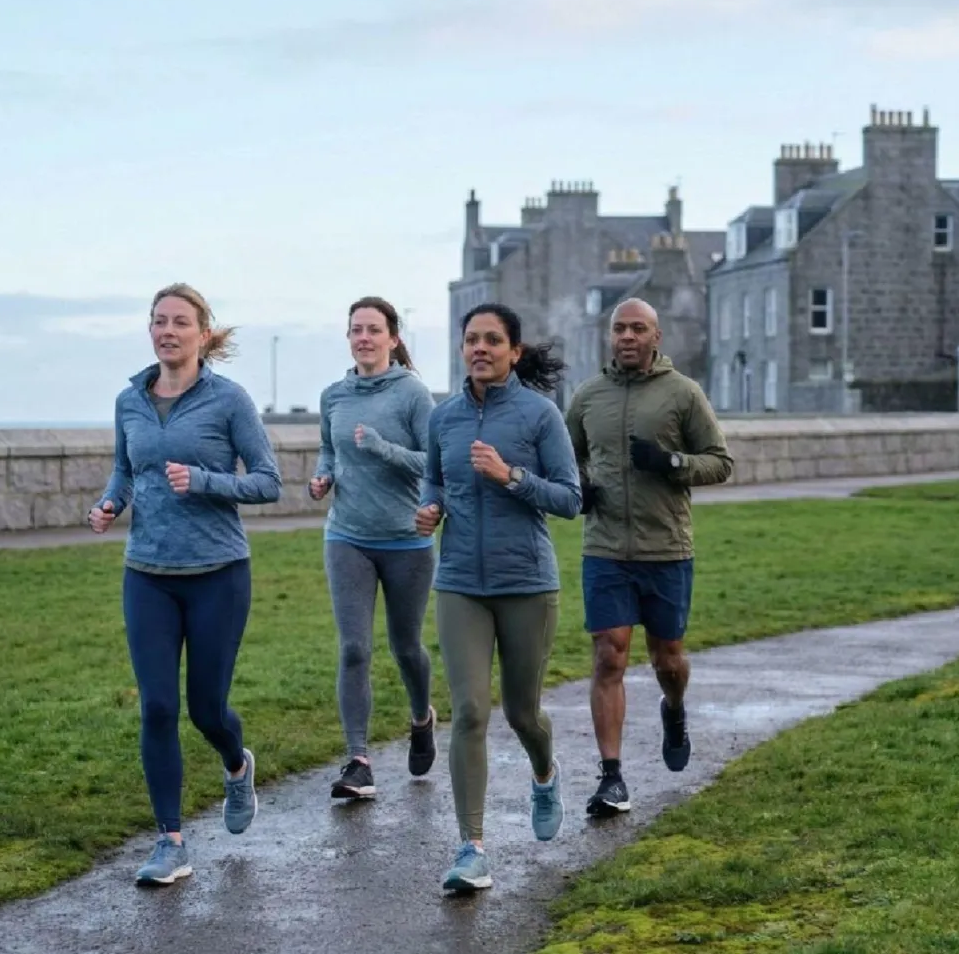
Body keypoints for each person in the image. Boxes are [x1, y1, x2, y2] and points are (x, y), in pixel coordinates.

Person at [88, 282, 282, 885]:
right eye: (159, 321)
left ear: (202, 333)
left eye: (179, 322)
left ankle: (236, 764)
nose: (167, 331)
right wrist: (110, 502)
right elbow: (125, 469)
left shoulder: (229, 401)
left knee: (206, 709)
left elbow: (268, 481)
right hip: (147, 574)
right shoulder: (129, 400)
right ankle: (170, 841)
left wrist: (203, 480)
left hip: (218, 575)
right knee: (157, 706)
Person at [414, 303, 582, 894]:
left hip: (527, 583)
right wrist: (430, 508)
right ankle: (472, 848)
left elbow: (570, 498)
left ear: (514, 351)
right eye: (471, 339)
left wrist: (511, 476)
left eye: (492, 340)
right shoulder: (444, 418)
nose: (479, 348)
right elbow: (434, 479)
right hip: (460, 582)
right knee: (469, 711)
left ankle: (545, 773)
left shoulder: (540, 415)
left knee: (522, 713)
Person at [564, 297, 732, 820]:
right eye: (620, 329)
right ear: (610, 335)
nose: (628, 337)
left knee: (667, 659)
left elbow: (720, 462)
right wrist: (580, 488)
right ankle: (611, 777)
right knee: (609, 655)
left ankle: (674, 707)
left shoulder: (683, 393)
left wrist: (671, 462)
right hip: (605, 549)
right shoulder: (588, 396)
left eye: (638, 328)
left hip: (666, 550)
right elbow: (566, 459)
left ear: (656, 337)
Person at [309, 297, 438, 800]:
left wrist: (384, 448)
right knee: (354, 648)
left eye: (373, 330)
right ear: (348, 338)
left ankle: (422, 717)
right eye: (356, 330)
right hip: (347, 536)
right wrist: (323, 476)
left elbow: (435, 462)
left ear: (393, 338)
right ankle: (358, 760)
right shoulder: (334, 396)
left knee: (406, 647)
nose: (364, 338)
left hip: (407, 539)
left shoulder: (412, 395)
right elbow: (329, 448)